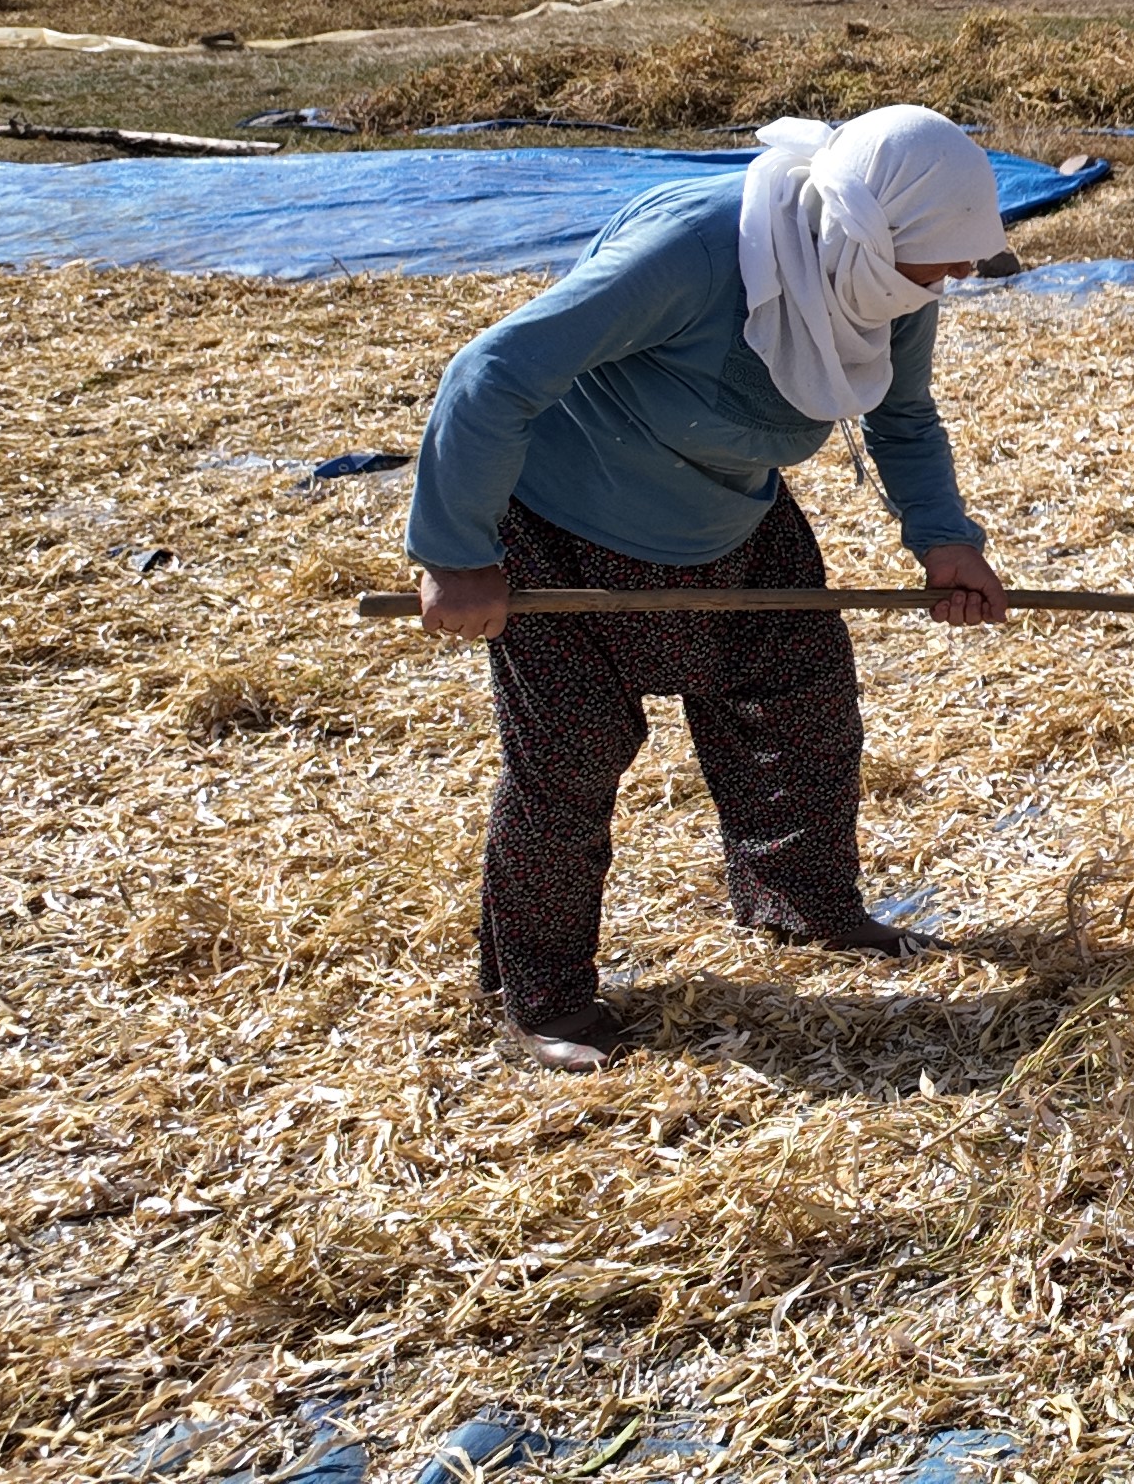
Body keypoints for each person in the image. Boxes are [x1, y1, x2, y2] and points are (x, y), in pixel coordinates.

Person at [406, 106, 1014, 1070]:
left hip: (736, 520)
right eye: (933, 267)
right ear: (863, 225)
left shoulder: (882, 275)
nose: (946, 286)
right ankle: (541, 999)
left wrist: (945, 541)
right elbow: (494, 371)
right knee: (569, 759)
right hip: (568, 530)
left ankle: (802, 904)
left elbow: (902, 417)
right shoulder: (697, 252)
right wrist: (457, 556)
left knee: (803, 706)